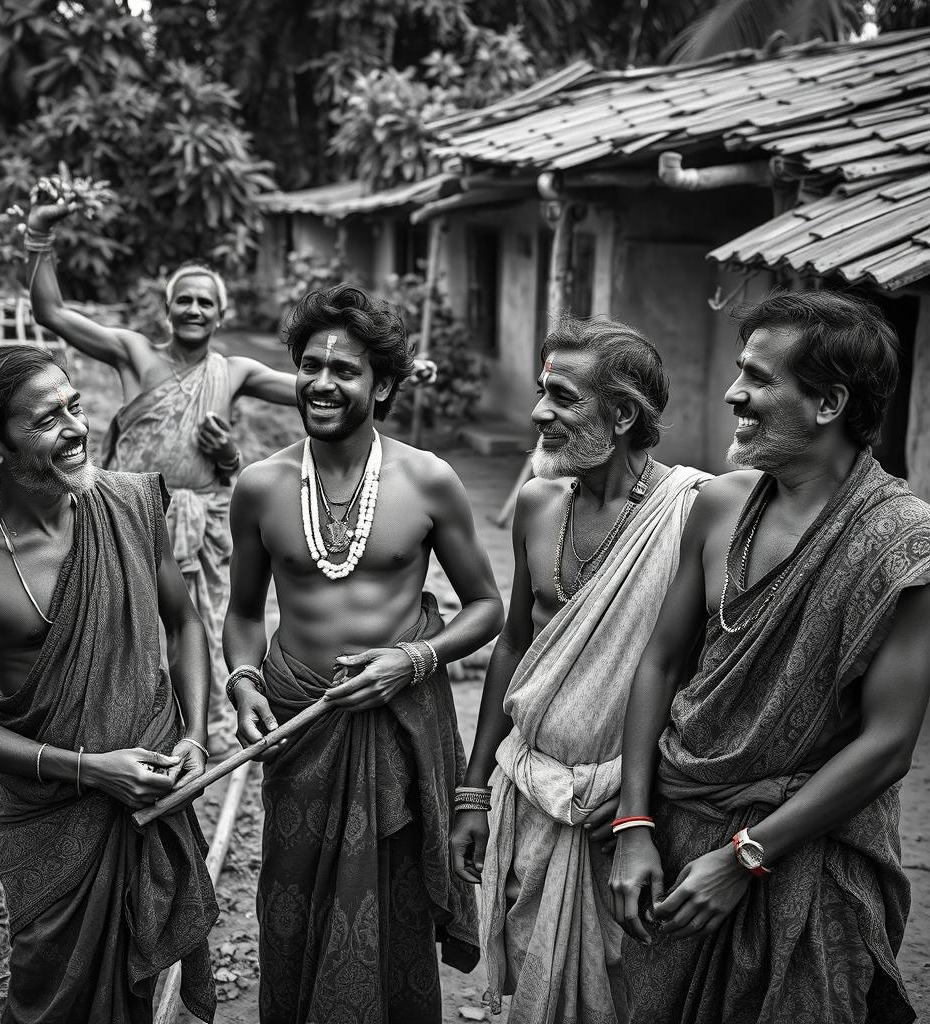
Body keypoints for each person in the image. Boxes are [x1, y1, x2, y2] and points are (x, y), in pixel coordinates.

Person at [608, 290, 930, 1024]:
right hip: (678, 830)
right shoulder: (720, 504)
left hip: (807, 852)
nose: (733, 393)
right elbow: (660, 664)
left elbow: (887, 746)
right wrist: (633, 826)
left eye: (757, 378)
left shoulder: (904, 543)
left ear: (828, 403)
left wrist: (745, 856)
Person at [223, 283, 504, 1024]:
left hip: (396, 733)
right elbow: (244, 613)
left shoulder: (426, 480)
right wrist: (244, 680)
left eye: (344, 370)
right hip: (301, 727)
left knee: (391, 906)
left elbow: (488, 609)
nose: (321, 381)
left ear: (382, 384)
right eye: (309, 364)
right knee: (292, 901)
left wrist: (412, 661)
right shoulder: (260, 486)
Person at [0, 345, 218, 1023]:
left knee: (140, 986)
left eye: (76, 406)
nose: (78, 427)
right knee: (48, 994)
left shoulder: (130, 503)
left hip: (153, 789)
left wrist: (196, 738)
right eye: (48, 419)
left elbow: (184, 625)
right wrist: (92, 771)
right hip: (54, 819)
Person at [448, 317, 710, 1024]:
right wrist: (474, 792)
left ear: (623, 414)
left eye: (561, 397)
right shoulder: (537, 504)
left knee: (632, 993)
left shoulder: (693, 514)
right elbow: (514, 645)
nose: (539, 413)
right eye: (542, 391)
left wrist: (636, 802)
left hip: (629, 816)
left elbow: (701, 677)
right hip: (532, 791)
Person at [25, 179, 297, 755]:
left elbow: (318, 389)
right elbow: (50, 311)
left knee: (197, 620)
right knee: (119, 621)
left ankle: (206, 727)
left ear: (221, 316)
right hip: (126, 515)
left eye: (206, 302)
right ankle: (115, 720)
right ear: (167, 308)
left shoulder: (237, 372)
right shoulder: (134, 353)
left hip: (204, 524)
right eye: (185, 299)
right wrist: (40, 232)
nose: (194, 308)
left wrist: (388, 374)